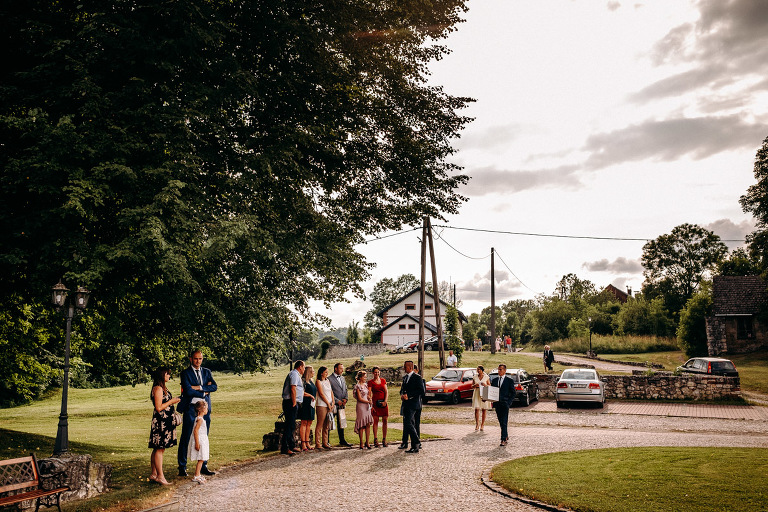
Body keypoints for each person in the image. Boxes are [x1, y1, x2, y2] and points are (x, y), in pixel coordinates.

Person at [178, 350, 217, 477]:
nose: (198, 361)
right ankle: (182, 467)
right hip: (190, 407)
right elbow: (188, 391)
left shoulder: (207, 372)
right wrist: (204, 391)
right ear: (190, 359)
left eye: (200, 359)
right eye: (195, 359)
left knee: (203, 437)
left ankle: (203, 465)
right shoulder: (185, 373)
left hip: (204, 410)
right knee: (186, 436)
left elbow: (214, 386)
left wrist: (199, 387)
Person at [148, 367, 181, 485]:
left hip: (165, 421)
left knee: (158, 448)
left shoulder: (162, 388)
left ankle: (154, 474)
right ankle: (160, 476)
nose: (169, 376)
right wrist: (171, 402)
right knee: (160, 448)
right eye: (167, 374)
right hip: (161, 422)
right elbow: (159, 407)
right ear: (162, 375)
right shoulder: (158, 389)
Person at [280, 360, 305, 456]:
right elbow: (293, 388)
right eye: (303, 367)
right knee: (289, 425)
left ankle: (291, 445)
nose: (304, 369)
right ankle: (285, 447)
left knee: (292, 425)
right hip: (290, 402)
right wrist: (294, 402)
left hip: (294, 402)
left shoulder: (297, 375)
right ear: (300, 366)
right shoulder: (294, 374)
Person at [398, 360, 424, 453]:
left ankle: (416, 441)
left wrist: (409, 395)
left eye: (405, 367)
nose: (404, 368)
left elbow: (421, 391)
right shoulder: (405, 378)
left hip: (414, 404)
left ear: (410, 367)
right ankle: (414, 446)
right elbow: (402, 389)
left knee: (409, 423)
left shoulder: (417, 377)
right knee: (408, 423)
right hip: (406, 404)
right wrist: (402, 395)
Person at [491, 364, 516, 447]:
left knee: (504, 421)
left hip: (505, 403)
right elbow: (492, 392)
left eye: (501, 369)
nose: (499, 371)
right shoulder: (494, 380)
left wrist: (508, 402)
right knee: (501, 421)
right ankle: (505, 435)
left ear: (505, 371)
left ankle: (503, 439)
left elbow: (513, 393)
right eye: (498, 369)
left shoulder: (509, 381)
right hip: (497, 404)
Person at [329, 362, 353, 447]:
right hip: (333, 404)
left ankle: (342, 440)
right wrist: (337, 401)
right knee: (330, 422)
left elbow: (345, 389)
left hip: (342, 404)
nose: (342, 370)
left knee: (341, 423)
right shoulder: (329, 379)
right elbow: (329, 392)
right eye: (340, 368)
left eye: (342, 368)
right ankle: (327, 441)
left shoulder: (343, 378)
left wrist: (345, 399)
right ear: (336, 369)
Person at [189, 400, 210, 484]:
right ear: (203, 409)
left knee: (201, 458)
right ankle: (196, 475)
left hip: (202, 439)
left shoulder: (199, 418)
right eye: (206, 408)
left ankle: (198, 474)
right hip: (200, 440)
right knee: (201, 459)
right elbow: (195, 431)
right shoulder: (200, 419)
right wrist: (197, 443)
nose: (207, 410)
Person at [368, 367, 389, 447]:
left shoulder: (383, 380)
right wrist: (371, 403)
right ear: (373, 373)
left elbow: (386, 392)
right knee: (375, 420)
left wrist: (385, 401)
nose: (377, 374)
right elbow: (369, 393)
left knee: (385, 420)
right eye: (375, 372)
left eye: (378, 372)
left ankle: (384, 439)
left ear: (379, 372)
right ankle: (375, 439)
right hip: (375, 402)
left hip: (383, 402)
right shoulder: (370, 382)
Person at [315, 366, 334, 450]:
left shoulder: (327, 381)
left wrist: (332, 402)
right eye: (325, 372)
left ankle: (325, 442)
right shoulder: (318, 381)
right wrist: (327, 403)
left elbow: (331, 391)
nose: (327, 373)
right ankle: (317, 443)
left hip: (329, 404)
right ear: (321, 373)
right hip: (322, 404)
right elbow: (321, 394)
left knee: (326, 424)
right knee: (320, 424)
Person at [353, 370, 374, 449]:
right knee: (361, 425)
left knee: (368, 423)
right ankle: (361, 442)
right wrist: (368, 401)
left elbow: (368, 395)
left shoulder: (365, 385)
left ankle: (367, 442)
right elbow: (359, 398)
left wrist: (370, 399)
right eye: (364, 377)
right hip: (361, 406)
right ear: (360, 377)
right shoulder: (357, 386)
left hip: (367, 406)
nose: (366, 378)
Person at [299, 366, 316, 451]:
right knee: (304, 422)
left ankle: (307, 442)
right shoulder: (303, 382)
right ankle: (303, 443)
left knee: (309, 422)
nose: (314, 372)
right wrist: (310, 395)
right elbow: (300, 392)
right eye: (312, 371)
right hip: (305, 403)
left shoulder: (311, 381)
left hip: (311, 404)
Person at [471, 365, 492, 432]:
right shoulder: (475, 377)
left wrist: (485, 385)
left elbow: (489, 385)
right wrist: (475, 385)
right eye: (477, 369)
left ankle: (482, 424)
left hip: (484, 393)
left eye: (479, 369)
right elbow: (472, 386)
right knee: (477, 409)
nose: (478, 371)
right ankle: (477, 424)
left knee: (484, 409)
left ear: (482, 370)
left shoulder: (486, 377)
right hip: (477, 393)